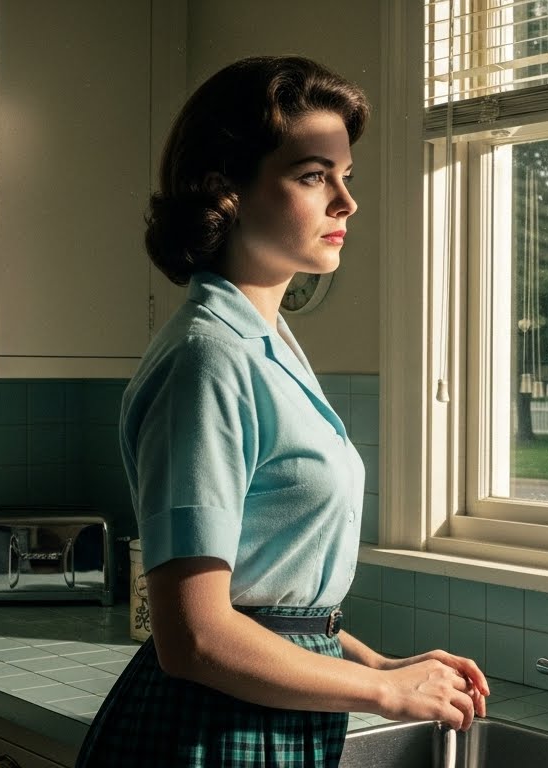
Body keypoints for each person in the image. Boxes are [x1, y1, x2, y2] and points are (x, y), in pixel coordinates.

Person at [76, 56, 489, 768]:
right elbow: (195, 637)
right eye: (313, 176)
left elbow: (268, 601)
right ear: (225, 191)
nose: (345, 202)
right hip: (210, 728)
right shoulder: (208, 360)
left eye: (345, 176)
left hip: (264, 712)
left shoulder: (264, 345)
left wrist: (378, 663)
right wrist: (384, 692)